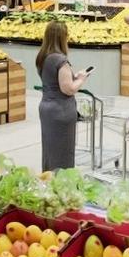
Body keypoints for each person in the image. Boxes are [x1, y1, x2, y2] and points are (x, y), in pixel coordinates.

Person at [37, 21, 88, 172]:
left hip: (46, 107)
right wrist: (81, 79)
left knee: (50, 151)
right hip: (61, 110)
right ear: (62, 38)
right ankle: (61, 187)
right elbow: (68, 89)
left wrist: (73, 76)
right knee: (63, 153)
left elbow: (53, 80)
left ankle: (48, 181)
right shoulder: (60, 60)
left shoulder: (42, 57)